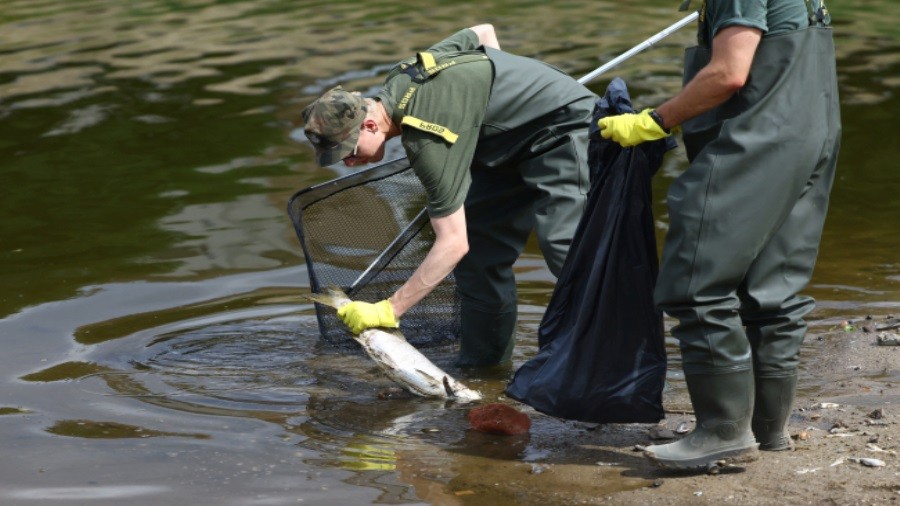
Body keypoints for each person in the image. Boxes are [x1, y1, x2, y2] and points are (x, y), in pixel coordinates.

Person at [597, 0, 840, 470]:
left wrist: (654, 119)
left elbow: (729, 72)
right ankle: (768, 432)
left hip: (756, 138)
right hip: (810, 132)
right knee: (773, 289)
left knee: (695, 283)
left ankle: (722, 431)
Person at [301, 24, 596, 366]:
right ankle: (484, 370)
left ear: (368, 125)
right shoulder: (399, 79)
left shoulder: (425, 141)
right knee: (479, 258)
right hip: (503, 146)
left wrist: (390, 309)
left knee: (565, 246)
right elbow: (481, 32)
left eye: (348, 150)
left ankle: (615, 363)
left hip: (562, 128)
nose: (349, 162)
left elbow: (452, 243)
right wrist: (486, 108)